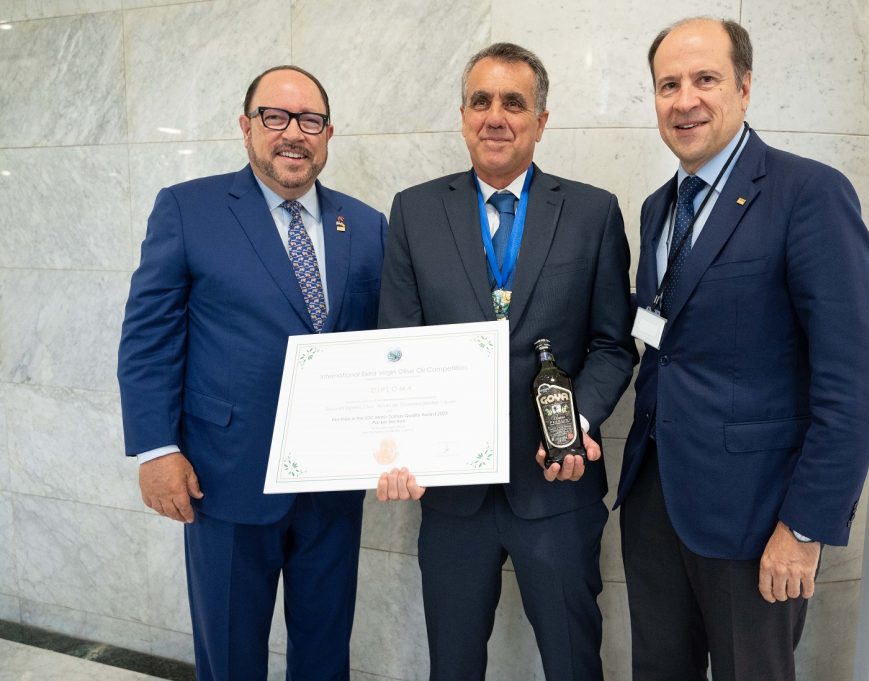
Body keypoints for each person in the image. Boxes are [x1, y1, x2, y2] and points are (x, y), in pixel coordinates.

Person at [614, 17, 869, 681]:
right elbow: (664, 343)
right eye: (667, 84)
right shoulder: (658, 208)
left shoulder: (808, 194)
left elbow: (853, 379)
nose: (685, 100)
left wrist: (804, 527)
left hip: (757, 517)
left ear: (744, 87)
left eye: (705, 79)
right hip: (656, 503)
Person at [376, 42, 636, 680]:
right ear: (463, 116)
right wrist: (394, 448)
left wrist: (578, 420)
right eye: (481, 101)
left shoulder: (593, 211)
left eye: (513, 103)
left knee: (574, 664)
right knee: (453, 665)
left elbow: (611, 343)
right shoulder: (414, 210)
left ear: (540, 120)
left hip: (556, 487)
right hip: (451, 497)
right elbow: (397, 347)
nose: (496, 116)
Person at [117, 65, 387, 680]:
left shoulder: (367, 225)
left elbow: (386, 344)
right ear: (246, 127)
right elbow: (148, 337)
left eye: (310, 121)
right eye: (276, 117)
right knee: (233, 653)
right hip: (225, 476)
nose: (293, 133)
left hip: (333, 482)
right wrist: (156, 449)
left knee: (325, 648)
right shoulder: (189, 209)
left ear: (328, 133)